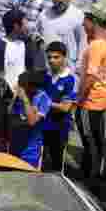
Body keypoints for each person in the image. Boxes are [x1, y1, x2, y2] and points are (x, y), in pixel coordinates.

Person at [75, 7, 106, 180]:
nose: (83, 24)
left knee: (89, 140)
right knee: (98, 138)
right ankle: (96, 171)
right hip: (104, 98)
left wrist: (78, 99)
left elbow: (91, 76)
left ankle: (90, 177)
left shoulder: (96, 46)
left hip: (90, 100)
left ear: (92, 21)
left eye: (85, 20)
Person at [41, 42, 78, 172]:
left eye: (56, 57)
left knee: (57, 166)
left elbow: (65, 107)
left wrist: (44, 102)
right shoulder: (45, 76)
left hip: (60, 128)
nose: (51, 60)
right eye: (49, 57)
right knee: (42, 164)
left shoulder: (70, 79)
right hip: (43, 125)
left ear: (64, 57)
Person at [8, 70, 52, 169]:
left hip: (31, 150)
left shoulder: (43, 98)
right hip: (15, 147)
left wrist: (25, 100)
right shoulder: (18, 96)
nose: (20, 88)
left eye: (23, 86)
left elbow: (32, 121)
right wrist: (14, 97)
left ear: (32, 87)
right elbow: (9, 114)